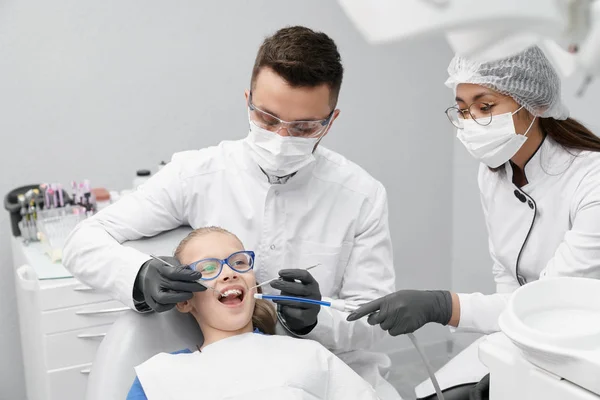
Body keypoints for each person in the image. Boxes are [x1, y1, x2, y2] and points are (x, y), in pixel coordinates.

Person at [63, 26, 399, 399]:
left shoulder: (361, 196)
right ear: (248, 100)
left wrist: (319, 318)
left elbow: (373, 321)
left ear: (330, 120)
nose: (281, 139)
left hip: (327, 372)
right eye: (269, 120)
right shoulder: (197, 175)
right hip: (226, 376)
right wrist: (138, 276)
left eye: (303, 128)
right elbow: (82, 242)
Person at [347, 45, 600, 400]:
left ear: (536, 103)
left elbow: (549, 303)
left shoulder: (592, 181)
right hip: (528, 335)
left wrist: (442, 306)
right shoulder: (494, 174)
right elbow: (508, 284)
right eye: (463, 110)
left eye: (485, 107)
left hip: (585, 351)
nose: (471, 122)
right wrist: (503, 360)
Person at [126, 227, 381, 399]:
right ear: (184, 301)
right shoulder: (161, 375)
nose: (229, 272)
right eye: (209, 267)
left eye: (239, 262)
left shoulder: (306, 354)